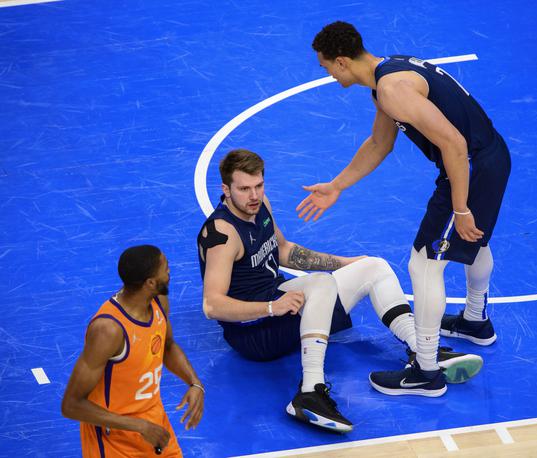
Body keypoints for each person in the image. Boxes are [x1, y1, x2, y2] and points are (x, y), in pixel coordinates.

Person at [197, 149, 482, 433]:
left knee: (374, 266)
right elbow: (212, 306)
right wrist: (272, 308)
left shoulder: (260, 207)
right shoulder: (223, 235)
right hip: (254, 332)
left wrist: (346, 263)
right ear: (226, 189)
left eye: (258, 186)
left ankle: (424, 354)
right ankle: (310, 391)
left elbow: (283, 250)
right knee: (319, 283)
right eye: (244, 189)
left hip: (280, 303)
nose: (254, 195)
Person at [298, 21, 511, 395]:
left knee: (424, 262)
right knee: (474, 241)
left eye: (326, 66)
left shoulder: (392, 89)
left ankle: (426, 371)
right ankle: (475, 320)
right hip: (486, 159)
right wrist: (336, 186)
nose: (328, 74)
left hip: (469, 165)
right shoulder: (387, 78)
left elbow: (455, 144)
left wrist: (460, 208)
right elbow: (380, 143)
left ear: (343, 61)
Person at [62, 245, 204, 457]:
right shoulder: (108, 330)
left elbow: (167, 345)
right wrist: (139, 426)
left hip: (154, 424)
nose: (170, 272)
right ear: (150, 282)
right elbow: (71, 405)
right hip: (114, 437)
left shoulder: (158, 301)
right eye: (166, 268)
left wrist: (195, 383)